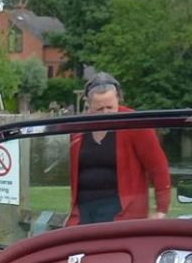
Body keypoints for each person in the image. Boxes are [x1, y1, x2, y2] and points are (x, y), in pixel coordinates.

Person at [67, 75, 171, 225]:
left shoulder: (135, 124)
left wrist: (161, 210)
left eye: (110, 107)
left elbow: (158, 167)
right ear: (89, 105)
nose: (105, 114)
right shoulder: (78, 128)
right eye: (99, 109)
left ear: (118, 99)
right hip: (83, 211)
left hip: (123, 212)